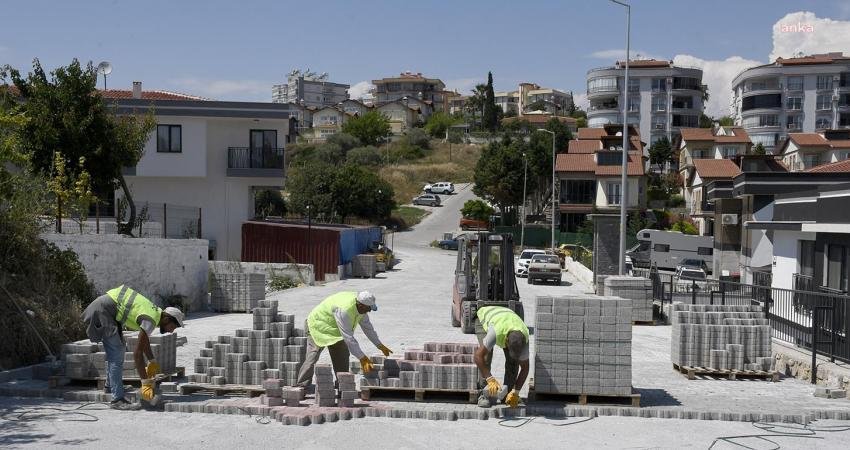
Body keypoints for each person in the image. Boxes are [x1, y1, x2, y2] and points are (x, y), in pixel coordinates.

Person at [81, 285, 184, 410]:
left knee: (118, 349)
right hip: (103, 311)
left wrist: (151, 360)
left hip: (108, 311)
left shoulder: (154, 314)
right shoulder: (150, 319)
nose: (171, 331)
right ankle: (117, 400)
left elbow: (144, 341)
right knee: (116, 353)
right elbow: (137, 353)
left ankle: (110, 386)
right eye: (172, 326)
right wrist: (145, 383)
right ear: (166, 319)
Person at [296, 291, 391, 388]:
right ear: (361, 305)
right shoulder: (344, 310)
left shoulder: (362, 309)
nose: (369, 311)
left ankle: (342, 385)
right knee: (313, 356)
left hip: (335, 330)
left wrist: (379, 345)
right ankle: (301, 386)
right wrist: (362, 358)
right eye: (368, 308)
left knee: (342, 356)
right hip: (318, 326)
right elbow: (349, 338)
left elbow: (368, 328)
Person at [473, 305, 529, 408]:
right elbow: (477, 356)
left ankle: (508, 395)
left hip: (507, 318)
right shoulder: (496, 332)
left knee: (513, 361)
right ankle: (483, 394)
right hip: (485, 317)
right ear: (506, 340)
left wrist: (516, 392)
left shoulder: (524, 337)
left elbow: (525, 368)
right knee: (486, 356)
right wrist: (490, 378)